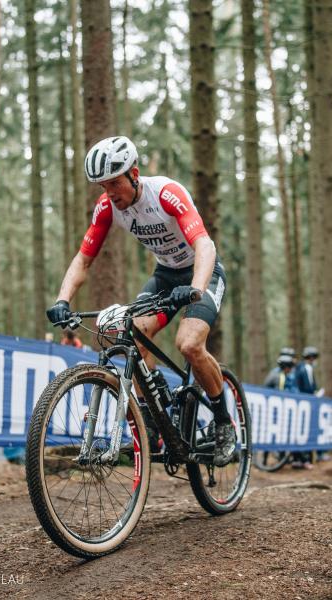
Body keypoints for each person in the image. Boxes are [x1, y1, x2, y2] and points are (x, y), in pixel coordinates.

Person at [46, 136, 236, 467]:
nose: (110, 193)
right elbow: (84, 259)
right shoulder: (107, 208)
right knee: (131, 333)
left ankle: (223, 422)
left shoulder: (165, 194)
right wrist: (63, 299)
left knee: (189, 345)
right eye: (103, 186)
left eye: (114, 183)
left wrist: (195, 287)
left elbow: (203, 244)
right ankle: (153, 411)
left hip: (203, 271)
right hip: (165, 275)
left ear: (134, 173)